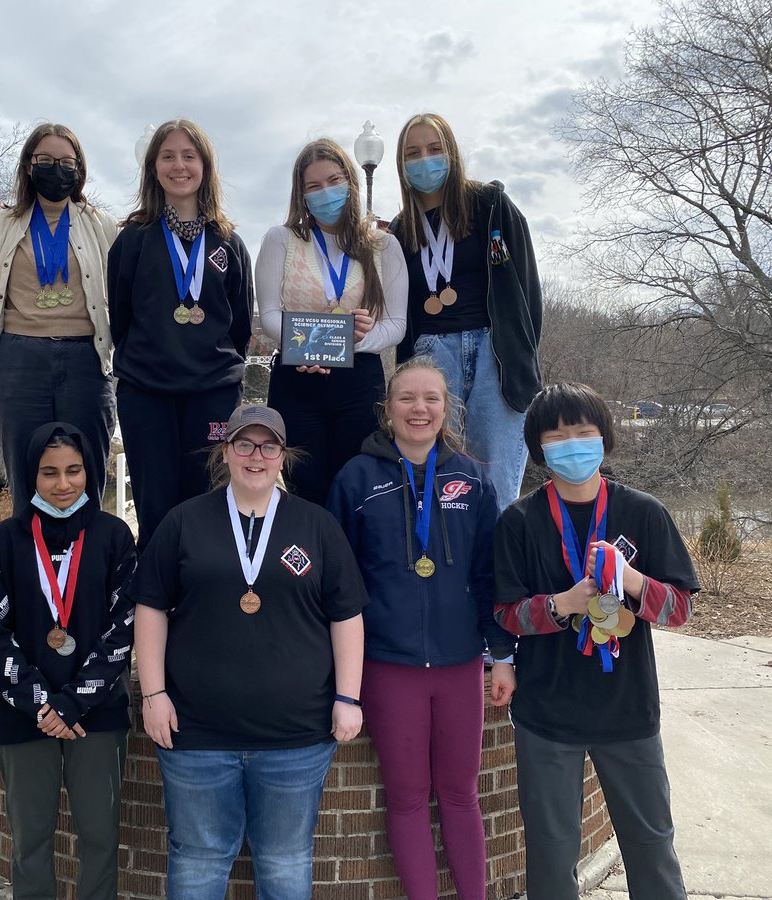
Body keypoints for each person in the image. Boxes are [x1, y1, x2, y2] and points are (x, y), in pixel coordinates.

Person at [134, 403, 367, 900]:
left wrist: (348, 698)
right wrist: (153, 693)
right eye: (244, 444)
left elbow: (346, 615)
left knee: (285, 865)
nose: (255, 456)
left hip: (296, 738)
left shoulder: (318, 526)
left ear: (283, 456)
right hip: (195, 735)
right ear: (226, 452)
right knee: (197, 862)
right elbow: (150, 609)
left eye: (268, 446)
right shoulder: (184, 522)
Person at [493, 382, 697, 900]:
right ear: (539, 450)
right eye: (556, 436)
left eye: (584, 432)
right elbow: (504, 614)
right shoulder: (518, 521)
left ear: (604, 438)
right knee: (551, 852)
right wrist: (562, 605)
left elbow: (679, 610)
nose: (572, 444)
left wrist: (631, 581)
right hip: (546, 716)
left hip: (628, 713)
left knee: (651, 848)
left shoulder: (644, 512)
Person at [328, 357, 516, 900]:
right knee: (408, 798)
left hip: (460, 664)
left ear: (447, 407)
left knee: (460, 795)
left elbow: (489, 575)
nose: (420, 408)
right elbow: (339, 584)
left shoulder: (472, 478)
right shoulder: (356, 478)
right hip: (389, 666)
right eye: (407, 398)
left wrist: (500, 654)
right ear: (387, 409)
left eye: (431, 398)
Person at [0, 422, 137, 900]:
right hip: (24, 715)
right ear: (31, 476)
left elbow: (123, 630)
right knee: (30, 841)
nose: (63, 484)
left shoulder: (113, 536)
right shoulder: (5, 539)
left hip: (96, 715)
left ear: (90, 471)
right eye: (49, 473)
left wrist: (72, 703)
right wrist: (43, 703)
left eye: (74, 470)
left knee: (100, 837)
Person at [108, 118, 254, 550]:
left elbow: (241, 325)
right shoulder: (133, 239)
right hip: (146, 392)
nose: (179, 166)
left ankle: (201, 606)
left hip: (212, 392)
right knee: (155, 508)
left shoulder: (229, 243)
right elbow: (121, 318)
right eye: (168, 156)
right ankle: (154, 609)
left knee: (208, 504)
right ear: (153, 168)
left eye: (189, 156)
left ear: (205, 166)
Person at [0, 122, 118, 514]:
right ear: (29, 166)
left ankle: (87, 561)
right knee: (26, 466)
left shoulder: (99, 223)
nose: (57, 169)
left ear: (80, 170)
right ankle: (31, 565)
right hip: (20, 358)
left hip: (87, 356)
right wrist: (0, 324)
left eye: (67, 162)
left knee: (88, 465)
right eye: (46, 160)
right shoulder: (1, 223)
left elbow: (121, 281)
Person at [391, 112, 542, 509]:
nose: (425, 160)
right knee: (439, 481)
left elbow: (527, 289)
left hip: (495, 353)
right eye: (413, 153)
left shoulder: (490, 206)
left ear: (452, 153)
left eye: (434, 149)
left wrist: (520, 353)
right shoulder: (400, 229)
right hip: (430, 357)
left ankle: (500, 572)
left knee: (497, 485)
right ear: (402, 166)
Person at [255, 137, 407, 504]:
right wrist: (304, 348)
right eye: (314, 186)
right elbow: (269, 313)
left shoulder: (383, 245)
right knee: (304, 486)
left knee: (358, 486)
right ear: (301, 194)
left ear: (351, 183)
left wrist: (352, 344)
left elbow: (396, 322)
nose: (326, 191)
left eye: (334, 180)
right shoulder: (281, 239)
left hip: (359, 382)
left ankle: (353, 561)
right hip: (297, 378)